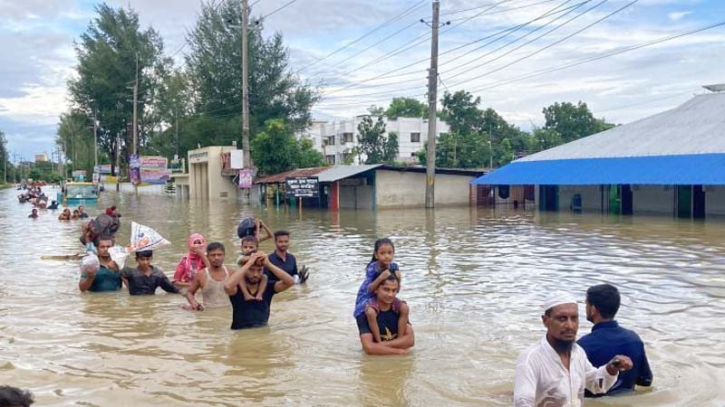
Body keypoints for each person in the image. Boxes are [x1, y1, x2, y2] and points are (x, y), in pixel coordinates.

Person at [513, 292, 634, 407]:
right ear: (545, 321)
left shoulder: (578, 353)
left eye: (574, 318)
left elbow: (596, 385)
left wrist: (612, 368)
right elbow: (523, 403)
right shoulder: (530, 360)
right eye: (562, 319)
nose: (570, 326)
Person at [578, 284, 653, 396]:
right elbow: (646, 381)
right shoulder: (634, 339)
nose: (585, 308)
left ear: (593, 310)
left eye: (586, 304)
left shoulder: (582, 346)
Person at [354, 238, 409, 345]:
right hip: (368, 296)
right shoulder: (373, 267)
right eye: (382, 253)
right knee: (369, 312)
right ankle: (378, 341)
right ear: (376, 255)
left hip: (384, 295)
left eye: (389, 253)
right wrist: (380, 278)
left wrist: (399, 279)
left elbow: (396, 289)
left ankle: (400, 340)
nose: (386, 256)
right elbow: (369, 289)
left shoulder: (394, 266)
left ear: (394, 254)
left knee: (404, 307)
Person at [224, 251, 294, 330]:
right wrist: (249, 263)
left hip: (263, 332)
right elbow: (227, 286)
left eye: (259, 270)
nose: (255, 274)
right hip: (240, 333)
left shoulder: (268, 287)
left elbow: (290, 282)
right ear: (244, 269)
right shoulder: (236, 288)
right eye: (251, 270)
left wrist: (269, 264)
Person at [357, 273, 415, 355]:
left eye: (394, 290)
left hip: (387, 353)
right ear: (376, 289)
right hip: (379, 359)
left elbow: (410, 341)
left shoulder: (401, 309)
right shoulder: (364, 314)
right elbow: (368, 348)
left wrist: (379, 346)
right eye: (386, 290)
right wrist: (399, 351)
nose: (390, 294)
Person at [185, 242, 231, 310]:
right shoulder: (201, 275)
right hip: (208, 311)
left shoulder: (231, 273)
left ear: (224, 255)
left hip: (228, 311)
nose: (216, 258)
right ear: (207, 256)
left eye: (219, 255)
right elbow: (189, 292)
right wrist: (194, 303)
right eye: (213, 255)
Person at [236, 235, 268, 301]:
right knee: (240, 277)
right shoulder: (241, 257)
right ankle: (246, 294)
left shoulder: (258, 255)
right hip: (243, 277)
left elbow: (265, 256)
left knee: (265, 277)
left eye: (251, 247)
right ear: (241, 248)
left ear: (256, 248)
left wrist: (262, 256)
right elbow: (243, 260)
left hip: (257, 277)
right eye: (245, 247)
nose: (248, 249)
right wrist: (253, 258)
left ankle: (259, 294)